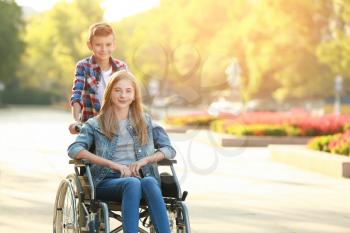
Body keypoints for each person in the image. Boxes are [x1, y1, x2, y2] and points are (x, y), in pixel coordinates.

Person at [67, 70, 175, 233]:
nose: (123, 95)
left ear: (134, 95)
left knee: (150, 181)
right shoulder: (95, 124)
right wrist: (113, 165)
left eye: (128, 91)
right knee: (132, 183)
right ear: (110, 93)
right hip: (106, 181)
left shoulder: (145, 122)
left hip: (142, 177)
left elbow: (169, 149)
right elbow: (74, 149)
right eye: (118, 90)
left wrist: (145, 160)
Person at [69, 22, 128, 134]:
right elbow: (77, 95)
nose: (103, 49)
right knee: (75, 150)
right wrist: (76, 121)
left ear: (114, 45)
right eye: (98, 45)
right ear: (90, 45)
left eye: (108, 44)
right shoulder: (83, 66)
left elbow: (128, 98)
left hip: (117, 128)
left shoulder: (122, 67)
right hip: (91, 128)